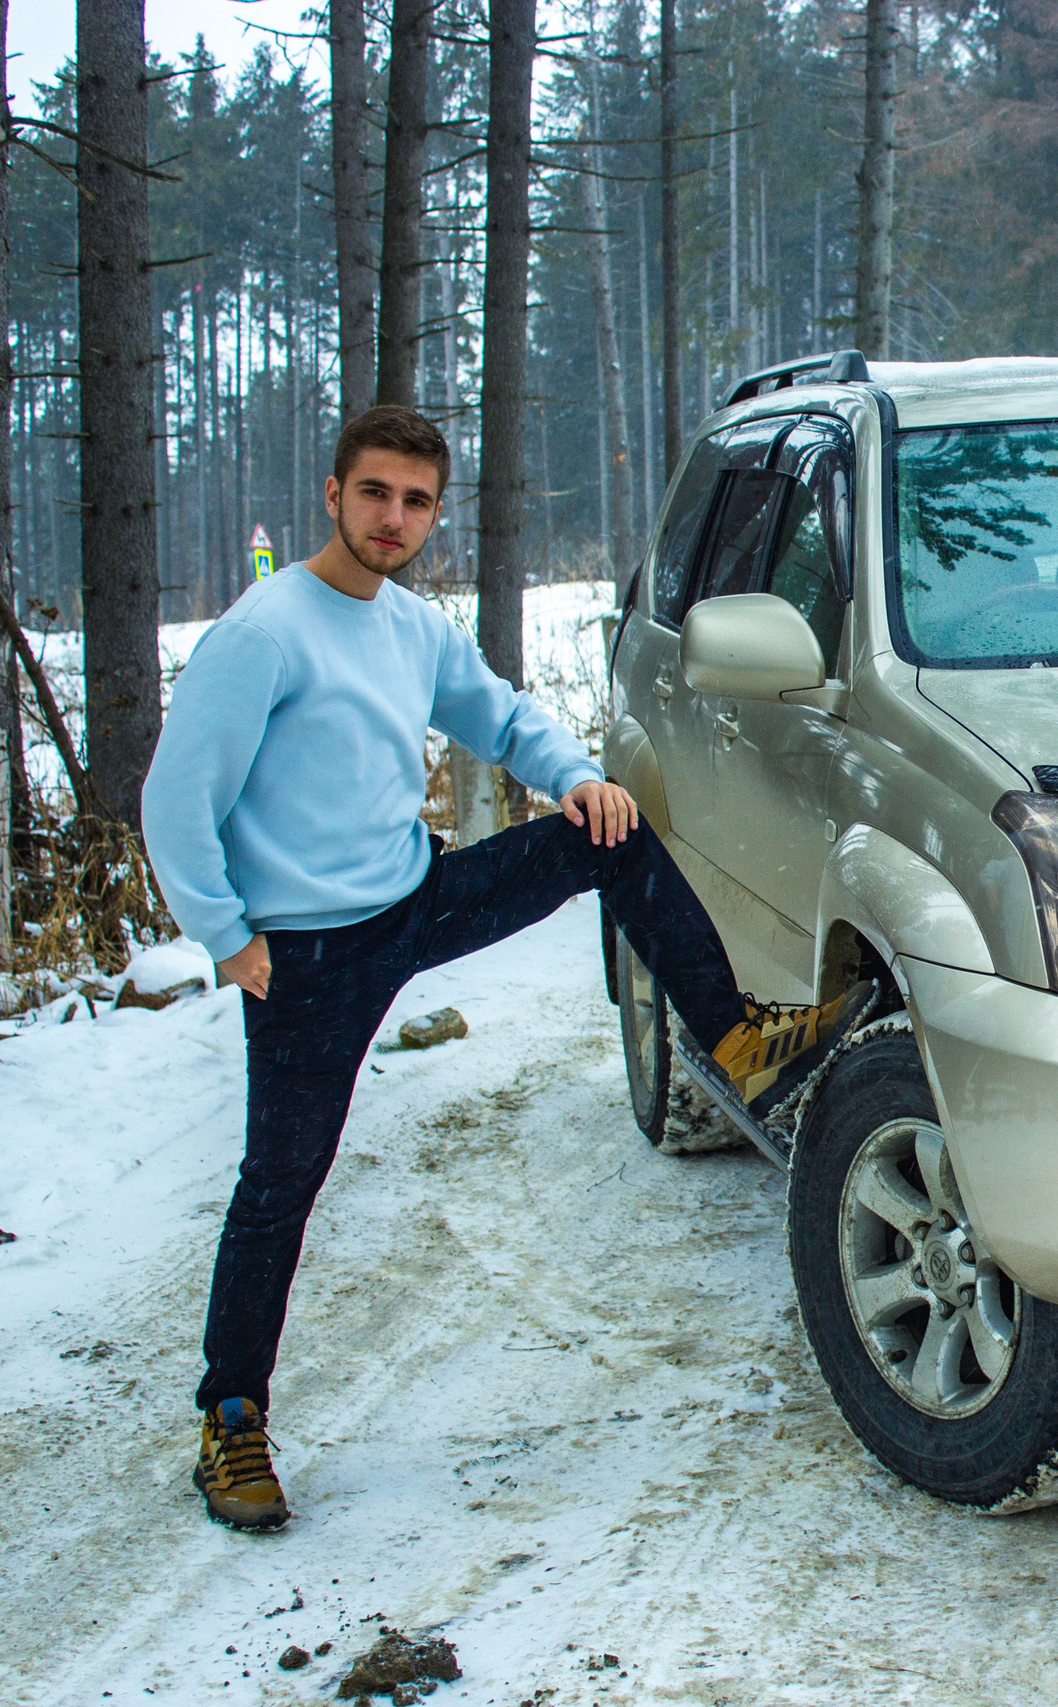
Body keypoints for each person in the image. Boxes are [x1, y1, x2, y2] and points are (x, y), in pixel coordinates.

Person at [142, 406, 859, 1532]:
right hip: (306, 958)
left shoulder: (410, 627)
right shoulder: (265, 632)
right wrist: (229, 939)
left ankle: (728, 1035)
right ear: (332, 496)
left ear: (434, 513)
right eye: (374, 494)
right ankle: (231, 1419)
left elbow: (498, 714)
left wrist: (577, 774)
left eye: (416, 501)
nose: (394, 519)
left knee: (609, 832)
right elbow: (175, 802)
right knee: (279, 1187)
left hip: (411, 902)